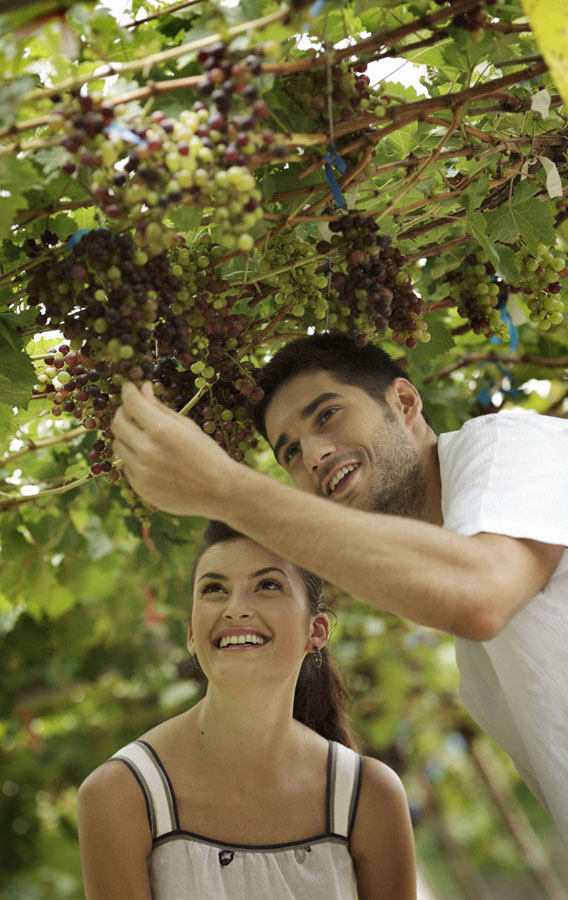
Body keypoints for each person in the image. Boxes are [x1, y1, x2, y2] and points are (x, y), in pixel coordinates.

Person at [111, 331, 568, 845]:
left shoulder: (509, 443)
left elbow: (481, 595)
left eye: (327, 415)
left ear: (405, 401)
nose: (313, 455)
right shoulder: (473, 652)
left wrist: (226, 489)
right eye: (290, 453)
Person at [77, 520, 417, 899]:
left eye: (268, 585)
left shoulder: (370, 796)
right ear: (191, 633)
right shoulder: (120, 795)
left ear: (316, 630)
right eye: (214, 590)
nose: (235, 609)